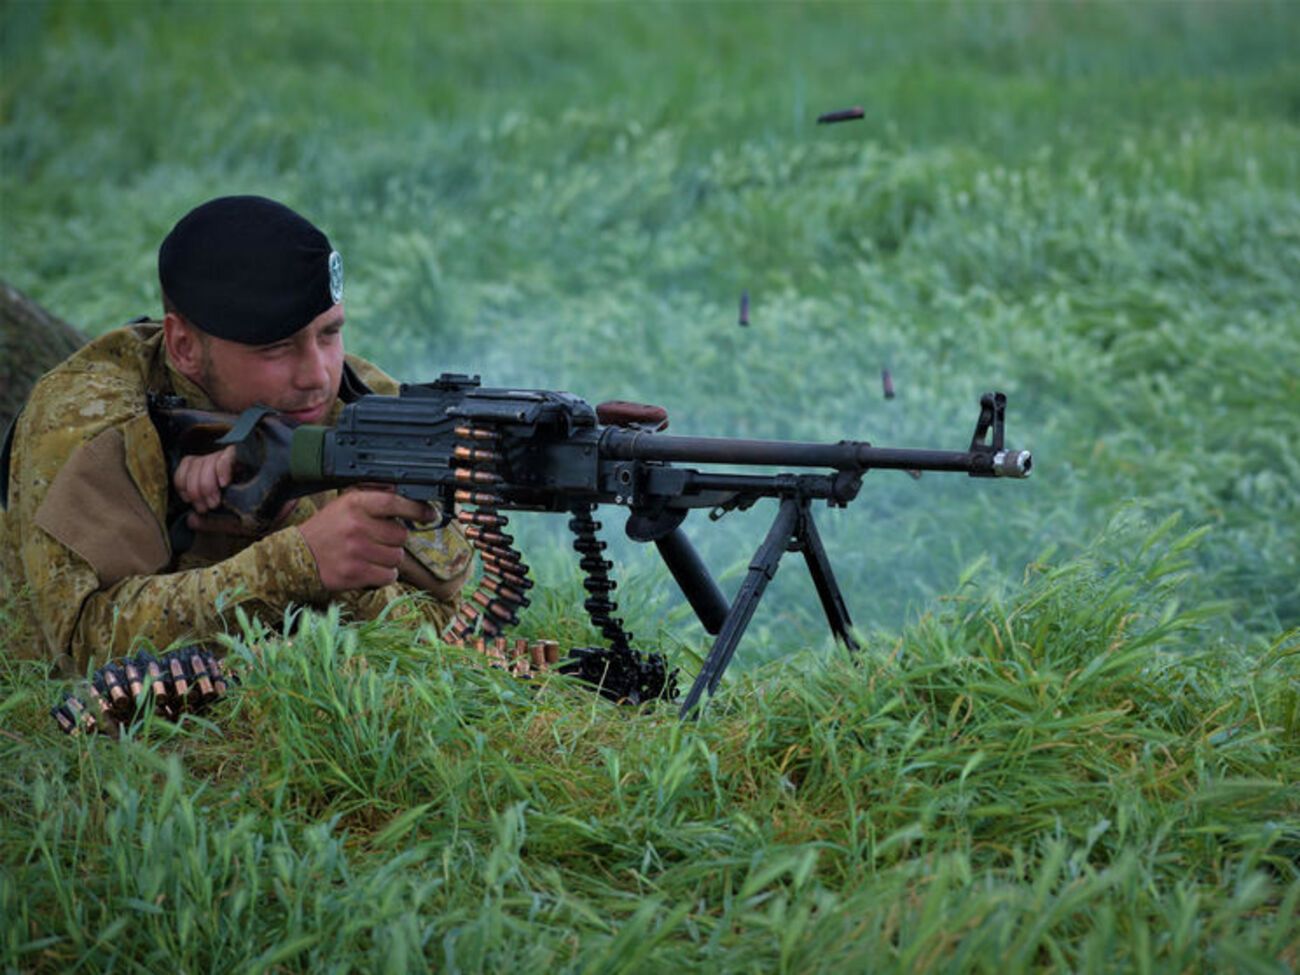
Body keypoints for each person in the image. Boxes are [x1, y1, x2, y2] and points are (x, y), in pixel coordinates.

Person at [0, 196, 473, 677]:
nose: (318, 375)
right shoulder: (92, 420)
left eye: (329, 335)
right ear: (184, 347)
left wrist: (299, 523)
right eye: (277, 348)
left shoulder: (356, 398)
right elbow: (78, 654)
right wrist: (294, 560)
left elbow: (441, 628)